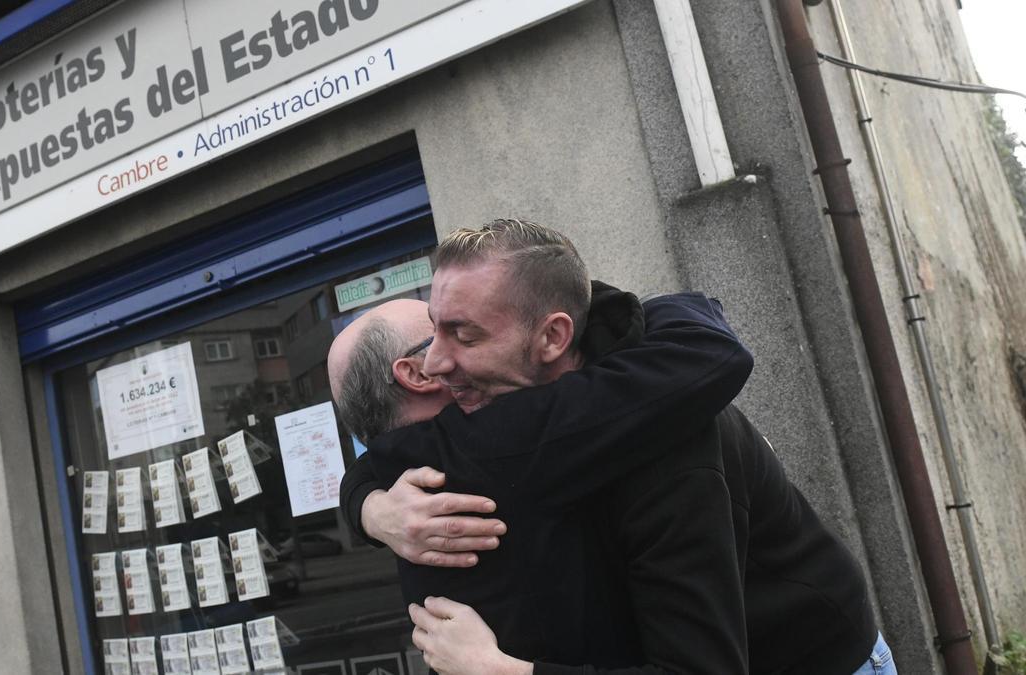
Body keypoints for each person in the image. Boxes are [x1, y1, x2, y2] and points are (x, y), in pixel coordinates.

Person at [332, 219, 890, 674]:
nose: (436, 362)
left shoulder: (663, 432)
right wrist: (372, 508)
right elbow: (391, 457)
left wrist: (500, 671)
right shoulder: (481, 441)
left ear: (553, 336)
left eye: (461, 335)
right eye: (434, 332)